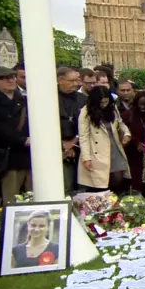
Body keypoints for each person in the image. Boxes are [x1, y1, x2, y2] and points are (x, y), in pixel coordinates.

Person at [77, 86, 131, 192]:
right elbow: (83, 136)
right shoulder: (86, 112)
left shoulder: (112, 108)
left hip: (114, 147)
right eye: (101, 102)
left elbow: (120, 123)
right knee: (101, 181)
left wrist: (127, 133)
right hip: (96, 150)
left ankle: (113, 198)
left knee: (118, 176)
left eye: (106, 102)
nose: (103, 105)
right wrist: (86, 157)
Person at [0, 66, 31, 205]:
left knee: (32, 196)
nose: (10, 80)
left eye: (12, 77)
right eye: (5, 78)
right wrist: (22, 140)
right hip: (7, 156)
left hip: (28, 155)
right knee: (10, 199)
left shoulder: (23, 99)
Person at [57, 67, 88, 195]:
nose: (76, 84)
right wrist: (63, 144)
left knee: (82, 189)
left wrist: (73, 141)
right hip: (59, 149)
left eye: (77, 80)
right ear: (60, 80)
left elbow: (87, 125)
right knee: (65, 187)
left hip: (80, 146)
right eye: (72, 81)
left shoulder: (83, 99)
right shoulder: (49, 98)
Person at [125, 91, 145, 195]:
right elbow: (125, 132)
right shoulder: (129, 115)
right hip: (135, 152)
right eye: (140, 104)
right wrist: (136, 142)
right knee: (137, 178)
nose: (143, 107)